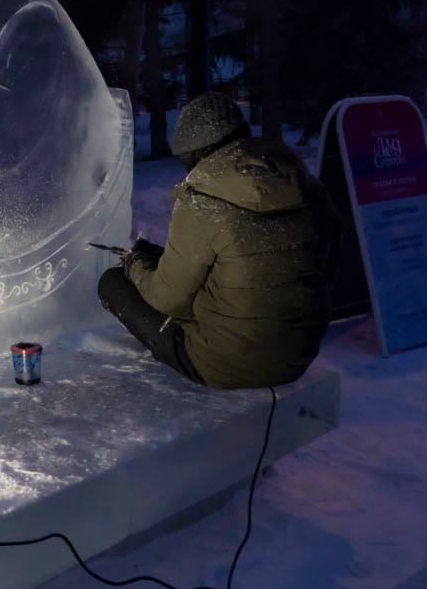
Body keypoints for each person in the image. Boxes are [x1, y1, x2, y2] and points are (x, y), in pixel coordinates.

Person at [98, 93, 341, 389]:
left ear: (196, 153)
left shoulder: (204, 200)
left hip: (223, 364)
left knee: (111, 284)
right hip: (297, 358)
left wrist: (135, 265)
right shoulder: (305, 185)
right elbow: (324, 268)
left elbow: (166, 299)